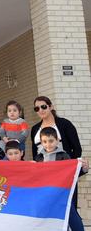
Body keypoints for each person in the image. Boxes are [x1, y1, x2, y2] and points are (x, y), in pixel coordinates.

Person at [30, 95, 83, 226]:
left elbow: (77, 149)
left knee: (68, 207)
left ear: (51, 106)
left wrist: (68, 167)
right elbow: (34, 153)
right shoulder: (35, 129)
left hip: (64, 175)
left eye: (43, 106)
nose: (41, 110)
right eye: (37, 108)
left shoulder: (65, 124)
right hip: (44, 176)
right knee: (47, 207)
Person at [34, 127, 88, 231]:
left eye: (51, 141)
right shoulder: (39, 158)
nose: (48, 144)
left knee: (70, 212)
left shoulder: (64, 156)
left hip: (62, 192)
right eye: (44, 141)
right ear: (41, 142)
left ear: (57, 140)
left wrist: (83, 169)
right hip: (45, 193)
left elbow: (71, 173)